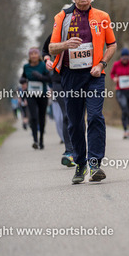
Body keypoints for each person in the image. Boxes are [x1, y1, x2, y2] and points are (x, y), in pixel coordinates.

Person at [49, 0, 117, 184]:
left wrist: (102, 64)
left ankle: (95, 164)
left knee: (95, 117)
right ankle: (80, 163)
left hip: (94, 75)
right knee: (75, 122)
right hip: (70, 76)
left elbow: (112, 45)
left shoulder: (102, 16)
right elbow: (51, 48)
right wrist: (66, 44)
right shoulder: (62, 17)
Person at [43, 33, 75, 167]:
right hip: (59, 80)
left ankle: (79, 149)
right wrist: (47, 60)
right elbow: (45, 50)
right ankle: (69, 152)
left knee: (77, 115)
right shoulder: (56, 34)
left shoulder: (84, 30)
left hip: (78, 79)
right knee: (66, 114)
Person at [21, 47, 50, 149]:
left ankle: (41, 139)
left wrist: (40, 76)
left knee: (41, 117)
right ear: (29, 56)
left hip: (42, 94)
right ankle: (35, 140)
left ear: (39, 55)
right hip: (31, 94)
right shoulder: (26, 67)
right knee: (33, 117)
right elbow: (23, 77)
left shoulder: (43, 66)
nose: (33, 55)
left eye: (35, 53)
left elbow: (49, 79)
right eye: (31, 54)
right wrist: (22, 80)